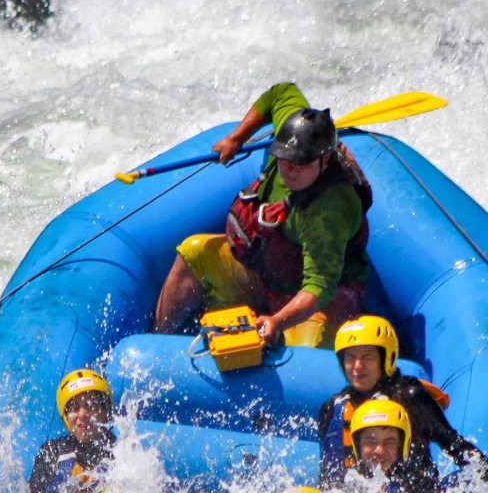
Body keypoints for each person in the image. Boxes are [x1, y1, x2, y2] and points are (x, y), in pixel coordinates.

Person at [153, 82, 373, 347]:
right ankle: (158, 340)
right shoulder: (291, 134)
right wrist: (236, 138)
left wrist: (277, 321)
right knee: (194, 252)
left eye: (301, 163)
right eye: (284, 158)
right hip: (266, 276)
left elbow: (320, 288)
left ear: (325, 160)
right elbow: (281, 93)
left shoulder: (329, 211)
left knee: (308, 347)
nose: (290, 169)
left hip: (312, 302)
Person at [317, 315, 488, 493]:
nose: (357, 367)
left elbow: (454, 446)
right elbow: (328, 473)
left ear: (386, 358)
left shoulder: (410, 397)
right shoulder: (333, 408)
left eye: (367, 357)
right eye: (350, 357)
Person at [29, 369, 116, 493]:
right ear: (66, 417)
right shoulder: (53, 452)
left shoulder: (120, 453)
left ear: (104, 412)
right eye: (74, 408)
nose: (82, 414)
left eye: (90, 406)